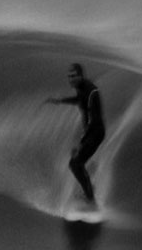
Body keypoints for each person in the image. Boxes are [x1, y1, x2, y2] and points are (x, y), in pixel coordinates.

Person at [45, 63, 105, 203]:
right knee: (77, 163)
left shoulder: (92, 92)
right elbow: (79, 100)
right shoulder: (81, 88)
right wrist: (59, 101)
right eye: (68, 77)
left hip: (95, 133)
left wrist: (81, 142)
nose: (70, 79)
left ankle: (90, 198)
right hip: (90, 133)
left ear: (80, 76)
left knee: (75, 164)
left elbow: (94, 120)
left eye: (73, 76)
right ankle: (89, 189)